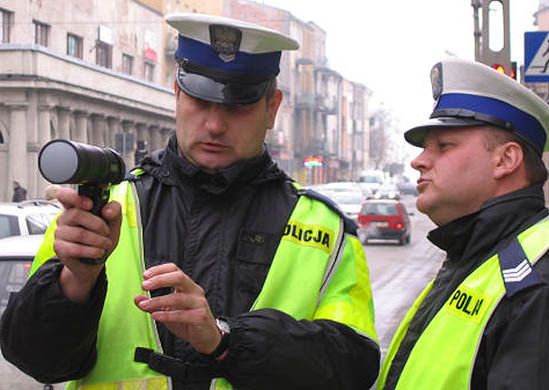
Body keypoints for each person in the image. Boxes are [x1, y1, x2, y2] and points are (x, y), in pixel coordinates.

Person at [0, 13, 380, 390]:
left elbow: (354, 366)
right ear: (178, 94)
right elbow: (35, 360)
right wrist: (75, 282)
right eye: (200, 100)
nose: (214, 124)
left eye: (237, 106)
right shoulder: (98, 208)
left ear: (272, 108)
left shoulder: (325, 229)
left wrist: (226, 341)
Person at [376, 58, 549, 389]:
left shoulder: (536, 278)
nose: (418, 161)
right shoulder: (476, 255)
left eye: (444, 146)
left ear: (506, 160)